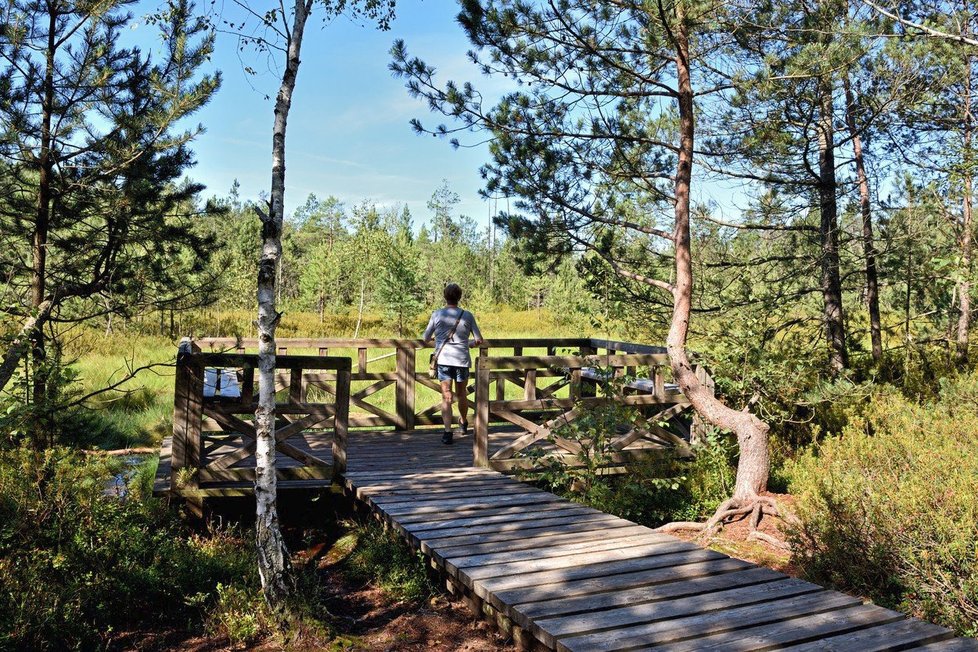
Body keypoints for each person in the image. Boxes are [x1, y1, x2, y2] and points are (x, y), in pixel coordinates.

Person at [422, 283, 484, 444]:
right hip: (462, 360)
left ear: (445, 296)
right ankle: (463, 423)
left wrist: (439, 339)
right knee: (462, 394)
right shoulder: (467, 315)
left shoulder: (437, 314)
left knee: (446, 396)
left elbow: (426, 338)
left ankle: (447, 432)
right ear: (459, 297)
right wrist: (466, 344)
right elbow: (478, 340)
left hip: (443, 361)